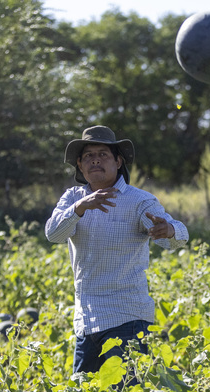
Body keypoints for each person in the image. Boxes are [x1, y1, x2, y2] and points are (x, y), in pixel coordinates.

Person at [45, 125, 188, 378]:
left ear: (118, 161)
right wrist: (80, 207)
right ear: (79, 164)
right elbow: (53, 234)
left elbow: (174, 237)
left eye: (103, 154)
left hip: (127, 317)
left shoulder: (138, 200)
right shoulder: (72, 198)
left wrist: (169, 230)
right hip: (86, 319)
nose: (95, 160)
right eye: (88, 156)